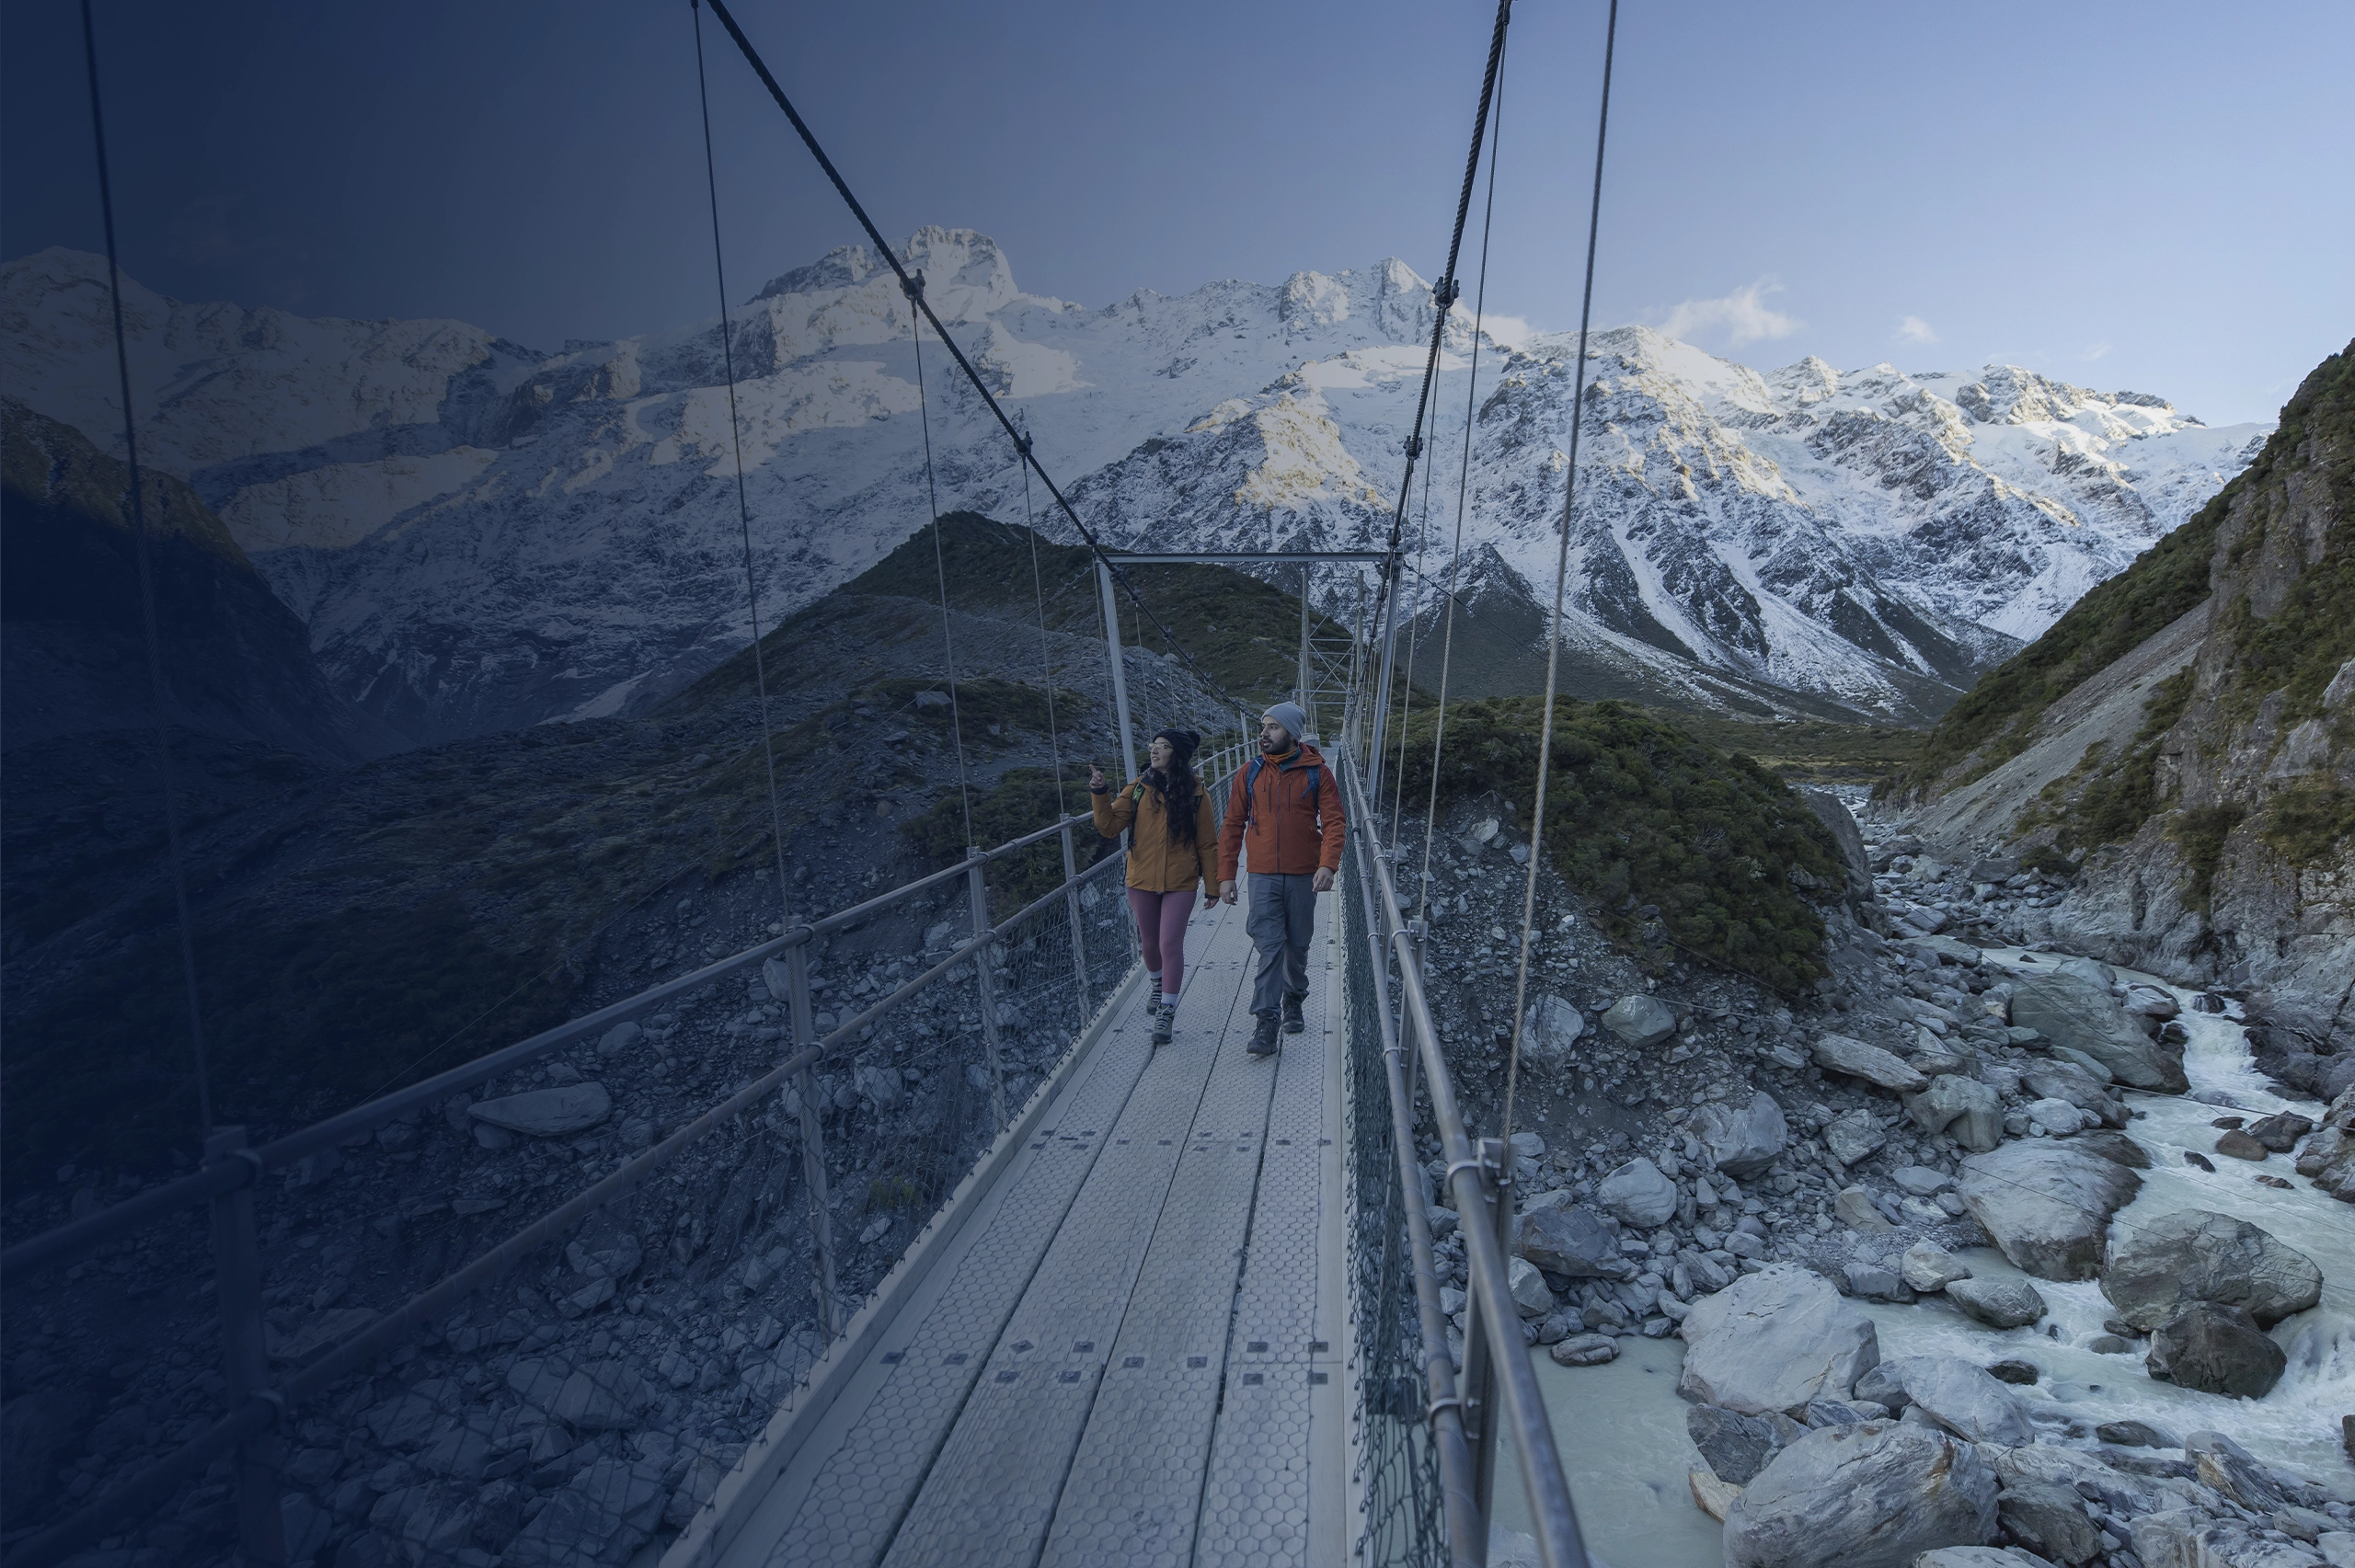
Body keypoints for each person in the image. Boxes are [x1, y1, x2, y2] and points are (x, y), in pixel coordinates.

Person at [1217, 702, 1345, 1056]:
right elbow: (1231, 824)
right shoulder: (1250, 772)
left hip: (1305, 873)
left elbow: (1334, 822)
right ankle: (1266, 1020)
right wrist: (1226, 875)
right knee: (1270, 945)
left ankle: (1294, 997)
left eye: (1273, 727)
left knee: (1298, 944)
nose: (1264, 734)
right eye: (1263, 726)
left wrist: (1328, 865)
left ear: (1291, 733)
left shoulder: (1318, 772)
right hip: (1260, 874)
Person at [1090, 727, 1219, 1046]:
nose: (1154, 751)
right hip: (1141, 879)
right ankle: (1157, 984)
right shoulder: (1138, 788)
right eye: (1154, 745)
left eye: (1162, 746)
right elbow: (1108, 827)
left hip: (1181, 880)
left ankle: (1167, 1011)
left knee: (1169, 944)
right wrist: (1100, 792)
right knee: (1149, 944)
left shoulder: (1198, 793)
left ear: (1177, 754)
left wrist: (1213, 886)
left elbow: (1207, 843)